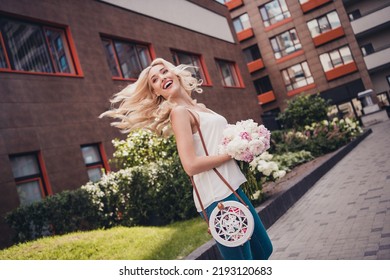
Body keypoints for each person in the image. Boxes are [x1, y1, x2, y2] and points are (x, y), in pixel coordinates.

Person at [100, 58, 273, 260]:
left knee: (263, 250)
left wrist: (244, 144)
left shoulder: (201, 108)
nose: (162, 78)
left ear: (174, 74)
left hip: (233, 188)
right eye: (155, 80)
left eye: (164, 72)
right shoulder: (179, 113)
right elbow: (190, 165)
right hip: (218, 198)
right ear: (156, 92)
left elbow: (216, 143)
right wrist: (231, 154)